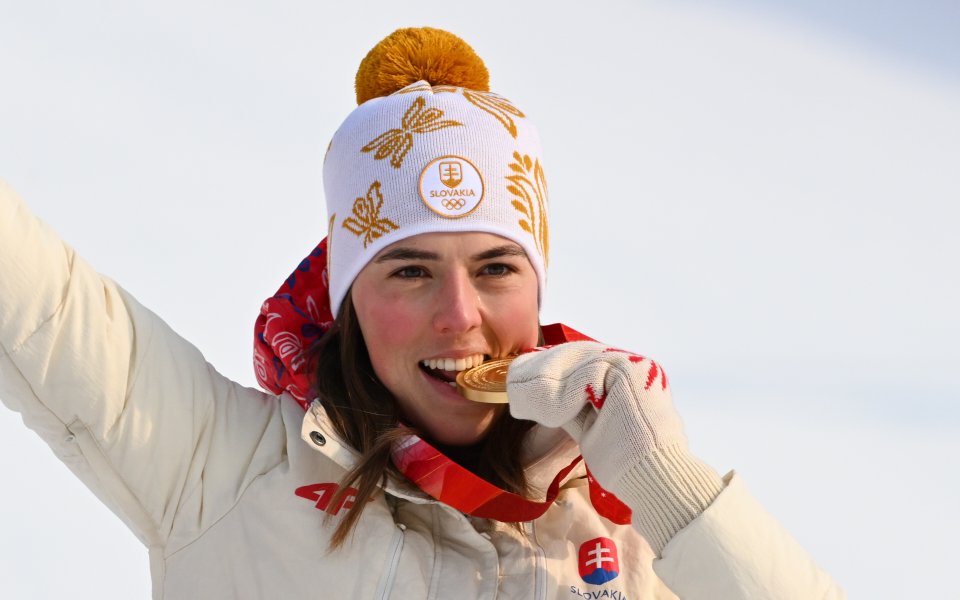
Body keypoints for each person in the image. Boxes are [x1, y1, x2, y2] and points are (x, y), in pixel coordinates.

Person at [0, 27, 844, 599]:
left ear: (537, 288)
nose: (460, 315)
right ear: (346, 299)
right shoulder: (222, 471)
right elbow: (33, 303)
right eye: (408, 270)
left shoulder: (630, 533)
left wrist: (671, 491)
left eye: (495, 267)